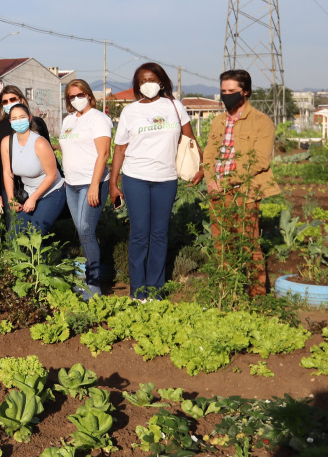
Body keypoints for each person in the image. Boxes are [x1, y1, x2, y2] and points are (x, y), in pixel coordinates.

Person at [109, 63, 204, 300]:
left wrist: (201, 166)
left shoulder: (175, 106)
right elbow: (119, 149)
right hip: (136, 178)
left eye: (151, 79)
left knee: (160, 234)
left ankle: (156, 290)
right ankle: (138, 292)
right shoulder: (130, 112)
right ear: (137, 85)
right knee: (140, 233)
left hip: (166, 179)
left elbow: (190, 139)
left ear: (161, 81)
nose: (147, 84)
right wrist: (113, 183)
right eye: (142, 81)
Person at [203, 69, 279, 296]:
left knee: (248, 243)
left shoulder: (261, 122)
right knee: (222, 243)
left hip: (245, 190)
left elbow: (260, 161)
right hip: (217, 190)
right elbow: (208, 155)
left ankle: (257, 293)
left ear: (245, 92)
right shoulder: (218, 121)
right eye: (223, 91)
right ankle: (227, 291)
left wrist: (225, 181)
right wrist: (210, 180)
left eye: (232, 91)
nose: (227, 95)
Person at [58, 79, 112, 300]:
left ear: (89, 95)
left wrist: (94, 185)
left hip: (92, 183)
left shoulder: (98, 119)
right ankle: (88, 280)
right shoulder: (68, 120)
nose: (76, 99)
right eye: (71, 96)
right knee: (82, 232)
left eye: (80, 94)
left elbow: (104, 153)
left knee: (86, 231)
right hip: (71, 184)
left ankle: (94, 285)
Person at [1, 103, 66, 235]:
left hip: (51, 191)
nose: (18, 121)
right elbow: (8, 173)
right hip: (29, 192)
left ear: (30, 118)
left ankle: (42, 256)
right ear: (10, 121)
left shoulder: (40, 143)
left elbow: (52, 175)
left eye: (22, 117)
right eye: (14, 118)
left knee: (35, 232)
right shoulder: (6, 142)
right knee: (15, 234)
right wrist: (11, 199)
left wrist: (34, 198)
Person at [0, 85, 29, 219]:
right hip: (9, 187)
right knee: (14, 225)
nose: (9, 103)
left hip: (34, 183)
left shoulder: (36, 123)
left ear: (21, 100)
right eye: (4, 102)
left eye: (12, 99)